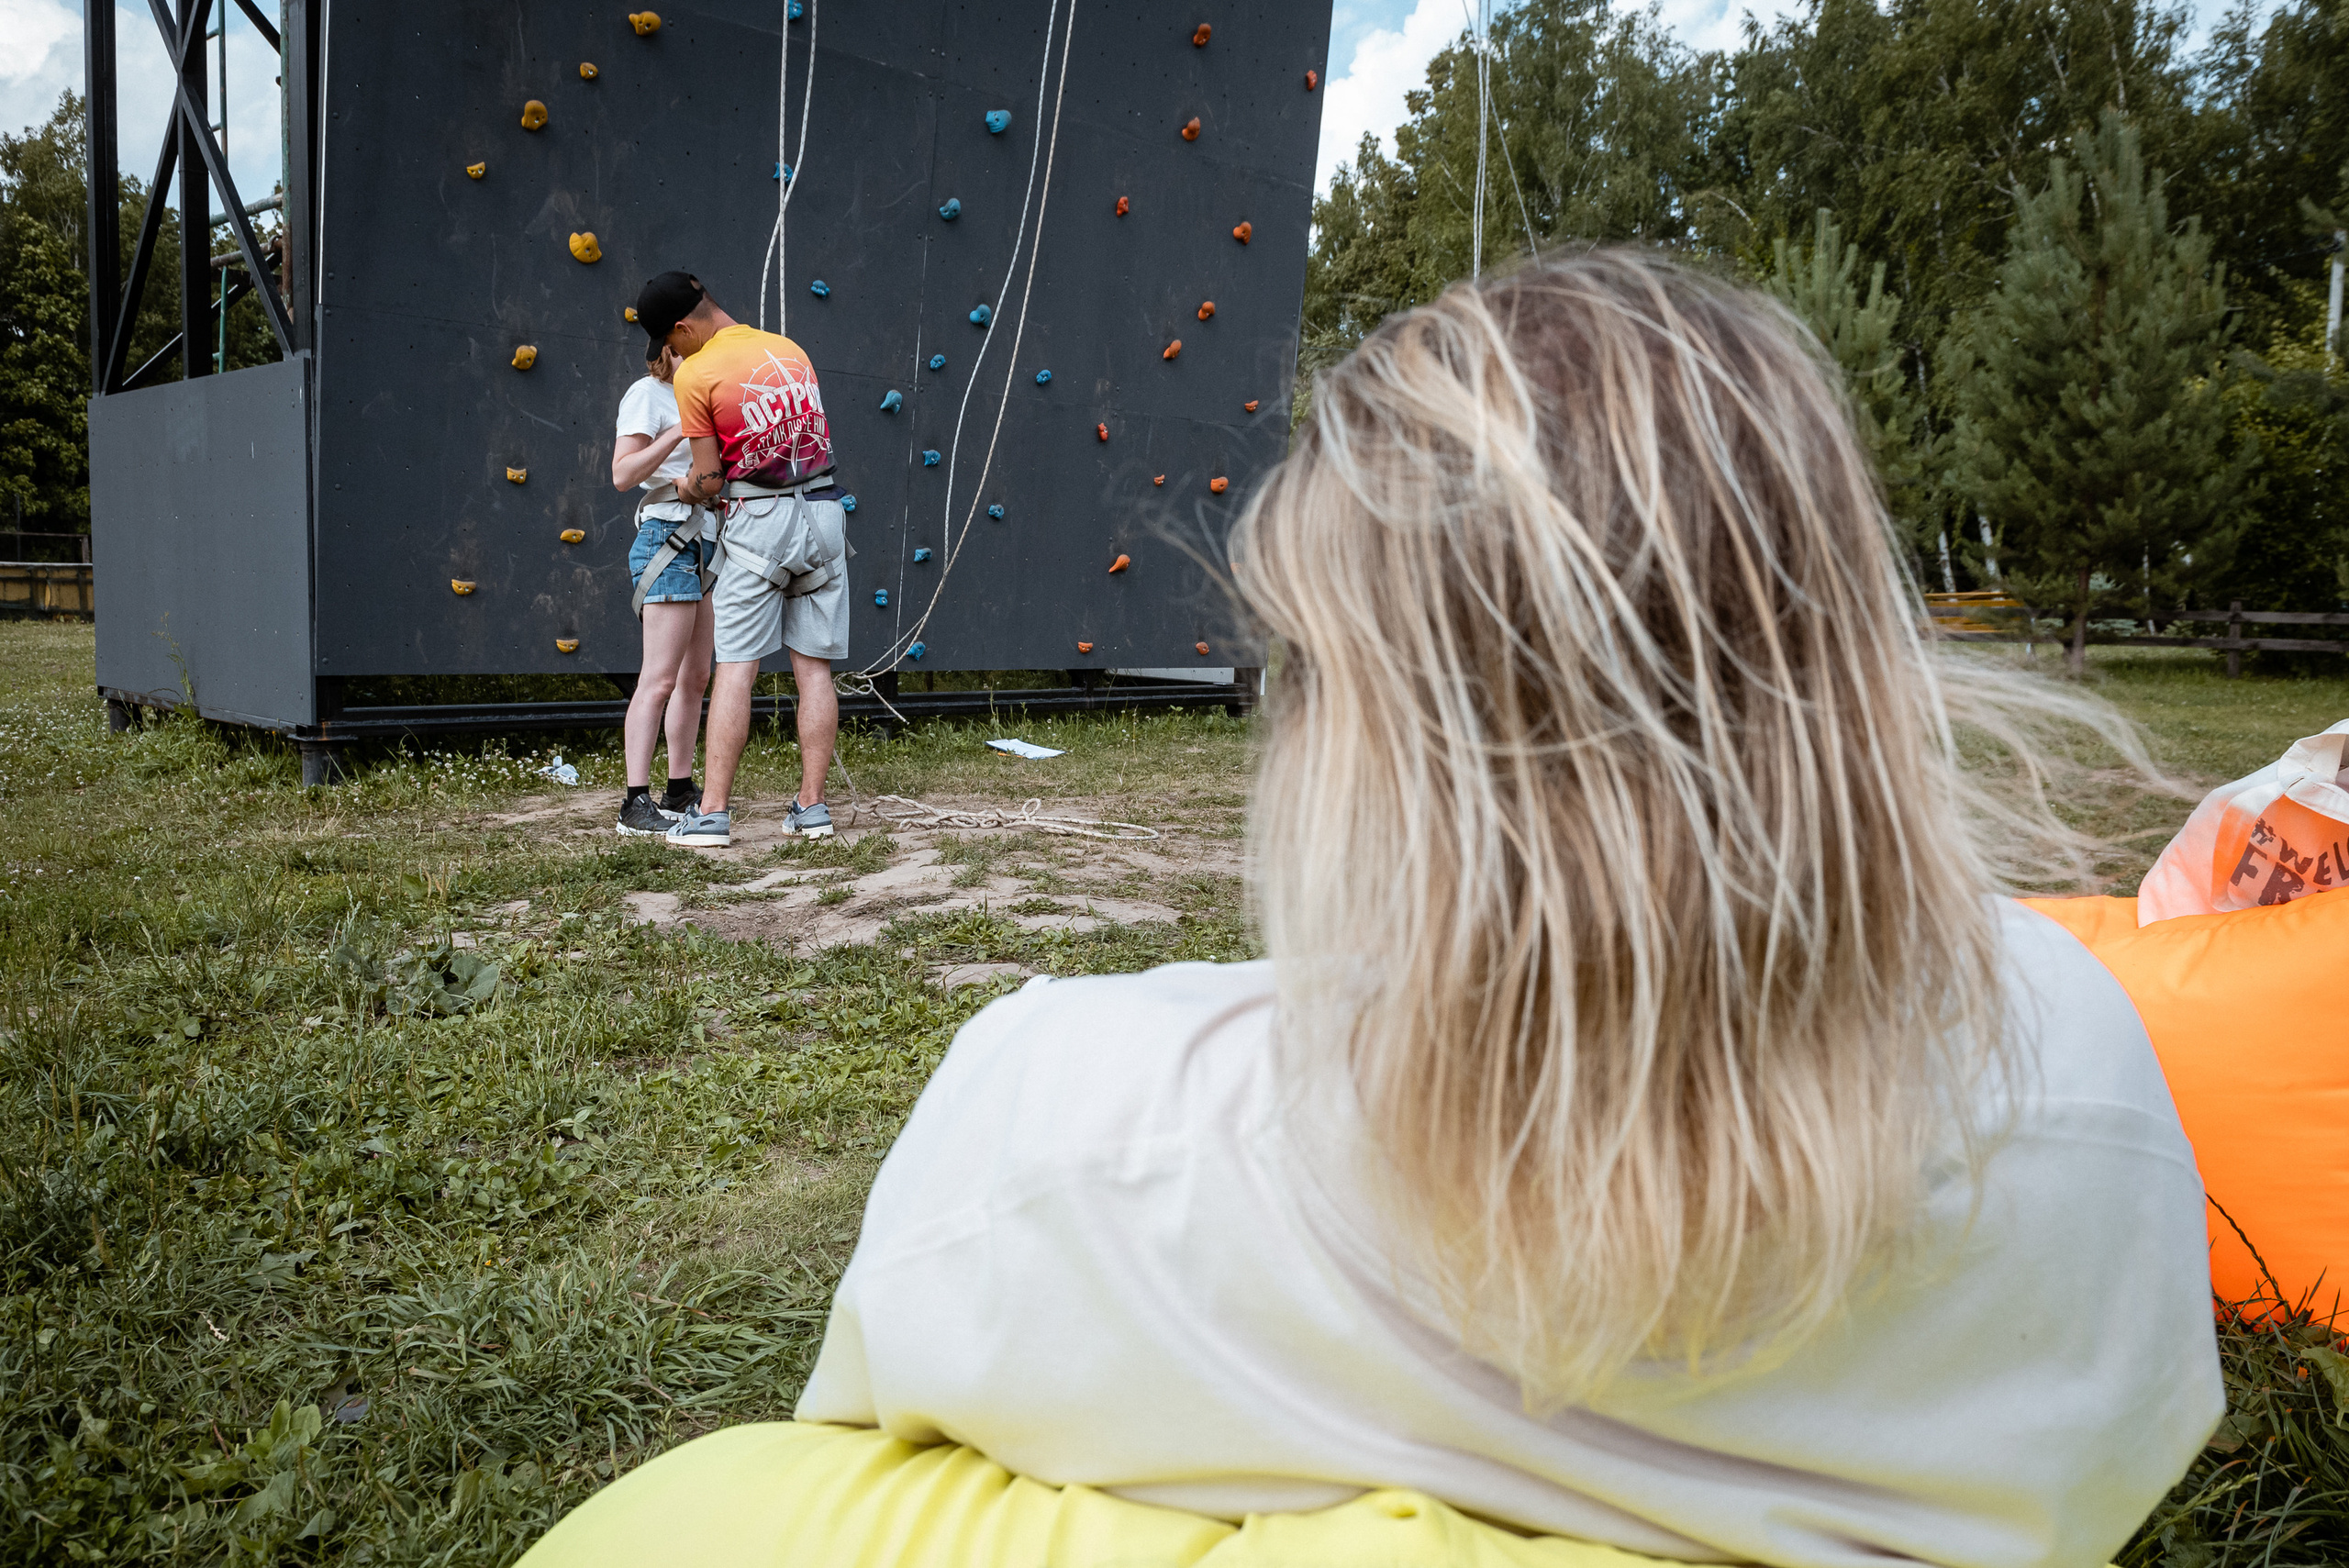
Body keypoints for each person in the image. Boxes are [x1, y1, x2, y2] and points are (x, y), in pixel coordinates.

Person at [525, 252, 2222, 1567]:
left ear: (1357, 721)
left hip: (741, 538)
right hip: (821, 519)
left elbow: (865, 1434)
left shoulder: (1062, 1125)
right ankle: (814, 796)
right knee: (812, 670)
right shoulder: (2093, 1083)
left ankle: (713, 803)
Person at [630, 271, 846, 850]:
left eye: (668, 342)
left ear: (682, 328)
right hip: (825, 513)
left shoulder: (697, 372)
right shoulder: (789, 350)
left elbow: (709, 478)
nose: (672, 354)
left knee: (736, 667)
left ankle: (712, 815)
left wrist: (683, 490)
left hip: (760, 520)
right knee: (814, 670)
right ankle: (812, 808)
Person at [609, 340, 715, 837]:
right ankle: (634, 802)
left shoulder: (703, 397)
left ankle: (678, 788)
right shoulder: (647, 393)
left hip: (707, 540)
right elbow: (623, 473)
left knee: (695, 677)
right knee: (659, 678)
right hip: (667, 534)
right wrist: (678, 430)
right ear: (669, 348)